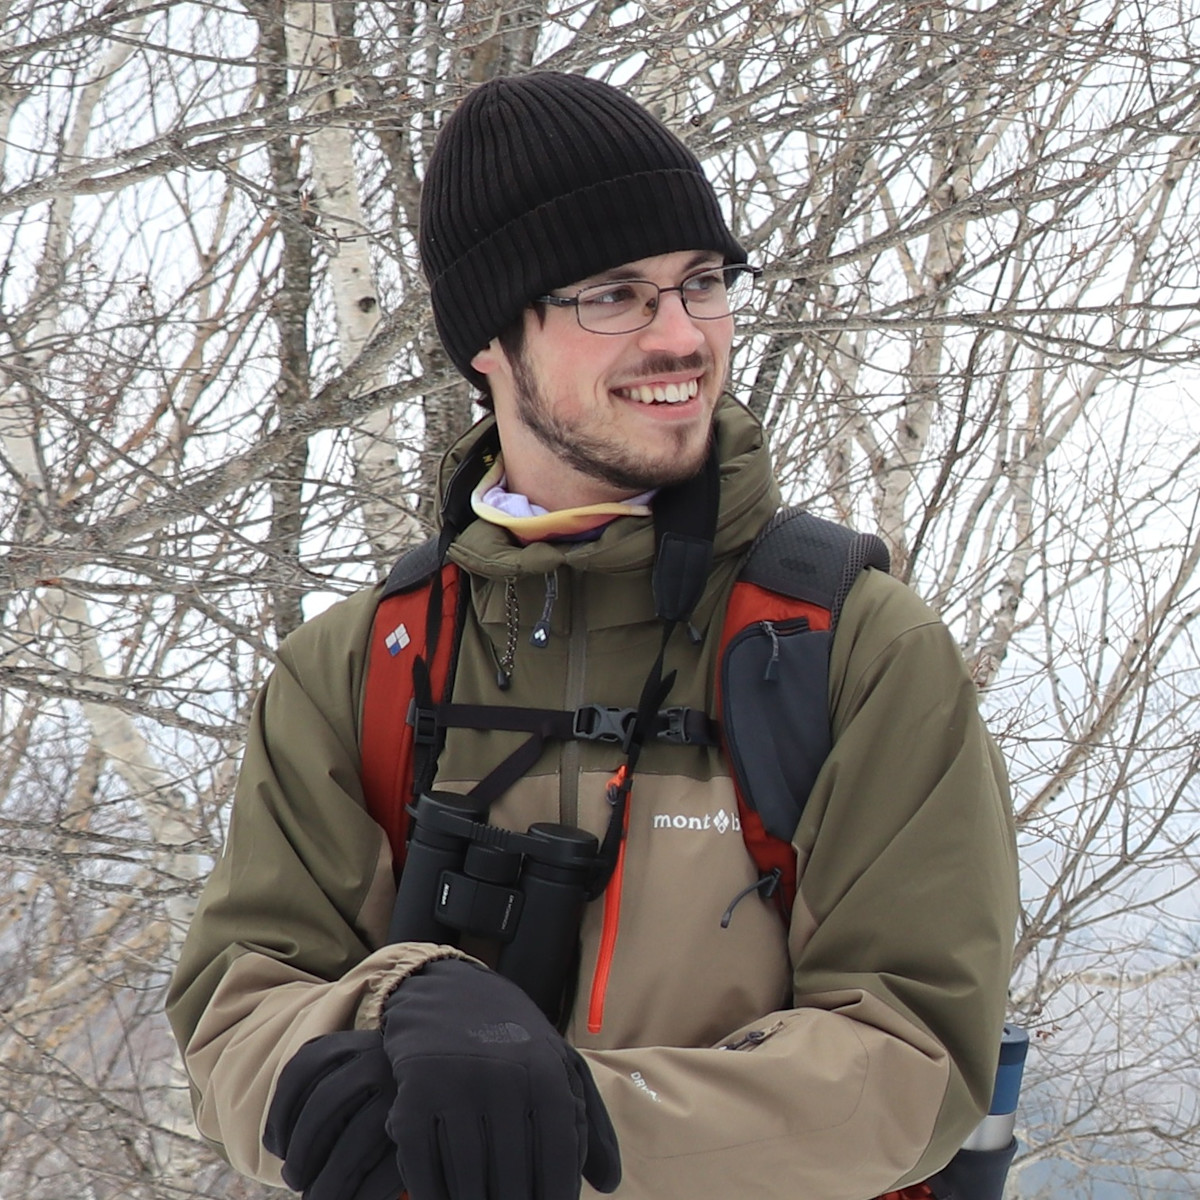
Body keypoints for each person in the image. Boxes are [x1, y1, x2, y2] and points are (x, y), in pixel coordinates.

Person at [166, 71, 1019, 1200]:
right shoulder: (359, 669)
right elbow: (239, 1009)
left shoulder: (847, 651)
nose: (683, 337)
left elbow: (913, 1066)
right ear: (489, 341)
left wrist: (575, 1114)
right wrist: (394, 1005)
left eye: (701, 284)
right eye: (613, 295)